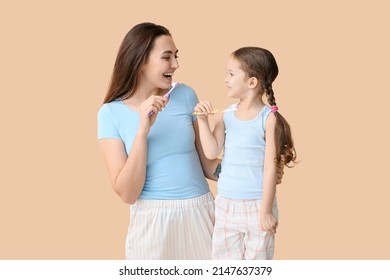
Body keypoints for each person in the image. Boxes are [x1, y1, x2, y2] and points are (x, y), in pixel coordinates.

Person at [98, 22, 284, 260]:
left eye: (176, 56)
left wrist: (256, 170)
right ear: (139, 60)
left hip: (201, 211)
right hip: (152, 220)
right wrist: (142, 131)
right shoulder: (110, 113)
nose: (176, 64)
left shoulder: (185, 95)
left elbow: (206, 163)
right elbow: (127, 193)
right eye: (167, 57)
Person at [194, 47, 296, 260]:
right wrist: (203, 121)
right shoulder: (225, 115)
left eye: (231, 74)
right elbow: (212, 151)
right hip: (226, 205)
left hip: (258, 205)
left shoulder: (269, 119)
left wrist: (266, 210)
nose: (225, 79)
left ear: (252, 82)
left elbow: (270, 167)